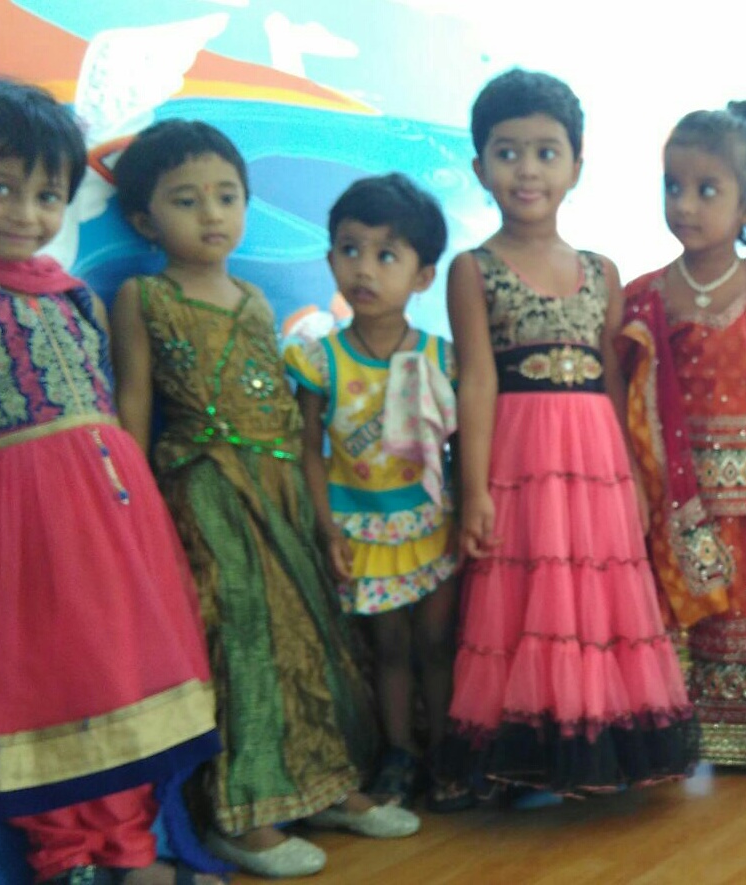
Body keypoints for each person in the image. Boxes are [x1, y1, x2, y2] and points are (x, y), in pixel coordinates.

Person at [110, 120, 419, 879]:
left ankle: (323, 784)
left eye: (227, 197)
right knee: (240, 635)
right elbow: (135, 403)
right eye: (186, 201)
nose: (211, 214)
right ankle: (243, 814)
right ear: (146, 218)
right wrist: (130, 508)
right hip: (205, 488)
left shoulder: (251, 297)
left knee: (307, 633)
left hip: (279, 485)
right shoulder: (143, 296)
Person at [0, 76, 221, 884]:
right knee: (43, 686)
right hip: (10, 531)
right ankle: (65, 858)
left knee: (120, 677)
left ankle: (131, 852)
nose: (24, 212)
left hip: (112, 520)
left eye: (47, 195)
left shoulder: (78, 300)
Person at [435, 68, 698, 804]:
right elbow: (476, 382)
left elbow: (613, 383)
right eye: (508, 152)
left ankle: (599, 753)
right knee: (523, 600)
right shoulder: (472, 269)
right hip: (519, 463)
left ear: (576, 166)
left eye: (546, 152)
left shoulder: (600, 271)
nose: (527, 170)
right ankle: (517, 761)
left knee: (595, 599)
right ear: (479, 166)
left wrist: (635, 479)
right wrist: (475, 491)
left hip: (596, 464)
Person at [617, 102, 746, 767]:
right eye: (673, 186)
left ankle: (743, 737)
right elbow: (625, 402)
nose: (684, 205)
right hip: (670, 490)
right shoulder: (643, 296)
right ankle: (669, 732)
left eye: (705, 190)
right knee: (672, 606)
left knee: (744, 604)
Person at [285, 173, 463, 811]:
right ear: (330, 256)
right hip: (360, 530)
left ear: (423, 276)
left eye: (386, 255)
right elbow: (308, 448)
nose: (364, 268)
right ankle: (399, 753)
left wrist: (465, 515)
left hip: (432, 527)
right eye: (350, 249)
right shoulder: (320, 361)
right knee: (388, 648)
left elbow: (461, 449)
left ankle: (446, 751)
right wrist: (326, 526)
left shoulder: (444, 358)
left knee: (437, 644)